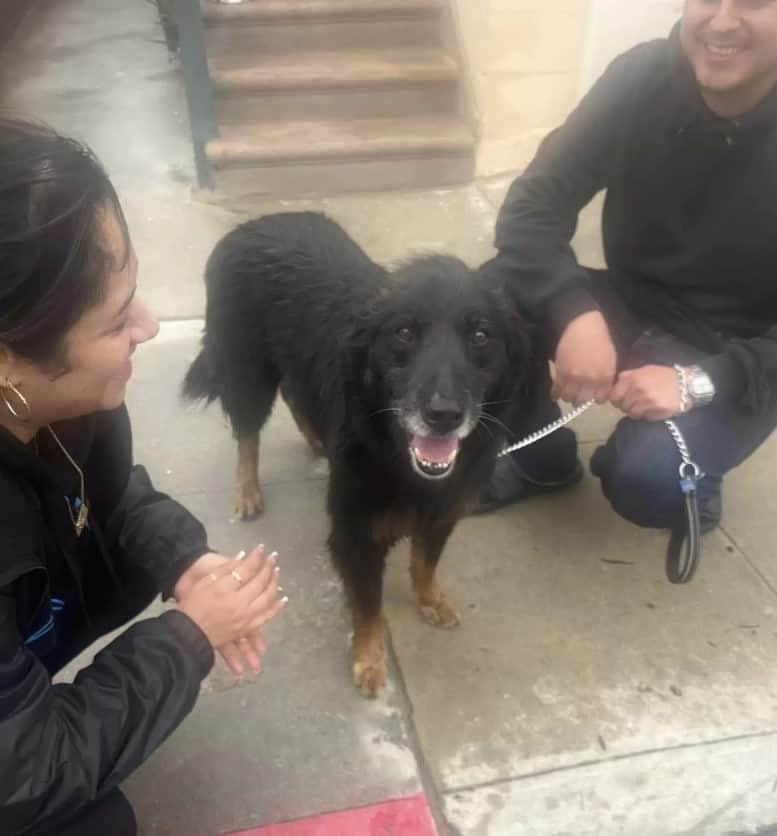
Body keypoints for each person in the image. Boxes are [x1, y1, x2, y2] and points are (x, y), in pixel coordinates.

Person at [0, 118, 287, 836]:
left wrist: (182, 559)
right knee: (93, 822)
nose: (151, 326)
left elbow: (103, 493)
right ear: (6, 360)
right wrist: (190, 637)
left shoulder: (58, 408)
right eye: (114, 323)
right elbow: (29, 774)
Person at [477, 0, 777, 543]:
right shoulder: (641, 77)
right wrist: (573, 310)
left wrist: (699, 382)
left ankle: (691, 485)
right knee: (481, 303)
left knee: (649, 477)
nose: (722, 20)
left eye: (753, 1)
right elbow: (533, 206)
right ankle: (541, 461)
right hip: (633, 299)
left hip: (739, 349)